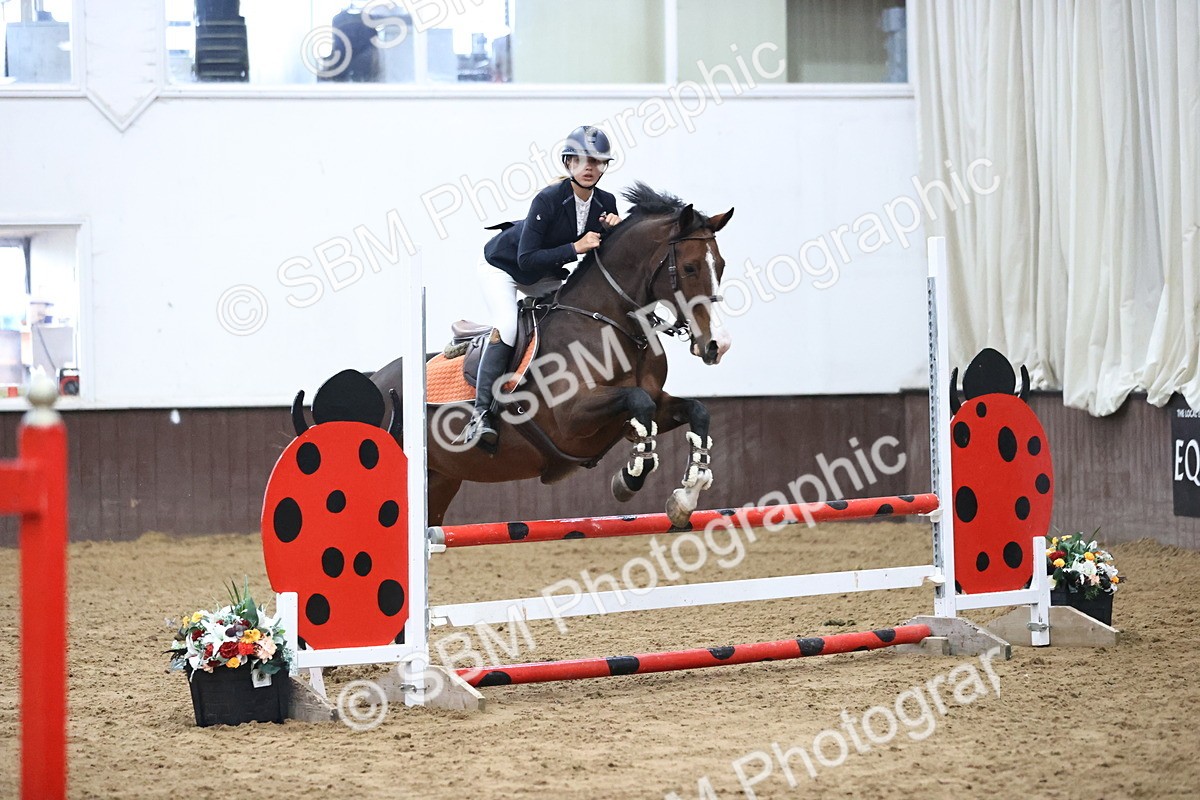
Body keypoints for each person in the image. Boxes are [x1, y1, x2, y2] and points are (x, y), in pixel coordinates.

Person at [464, 125, 623, 450]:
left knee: (566, 317)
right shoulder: (548, 200)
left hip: (545, 272)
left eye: (597, 161)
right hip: (504, 267)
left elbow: (604, 254)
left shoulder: (606, 202)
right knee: (508, 325)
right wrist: (576, 248)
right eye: (581, 160)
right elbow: (526, 259)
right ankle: (481, 416)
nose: (590, 167)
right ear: (568, 164)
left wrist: (617, 231)